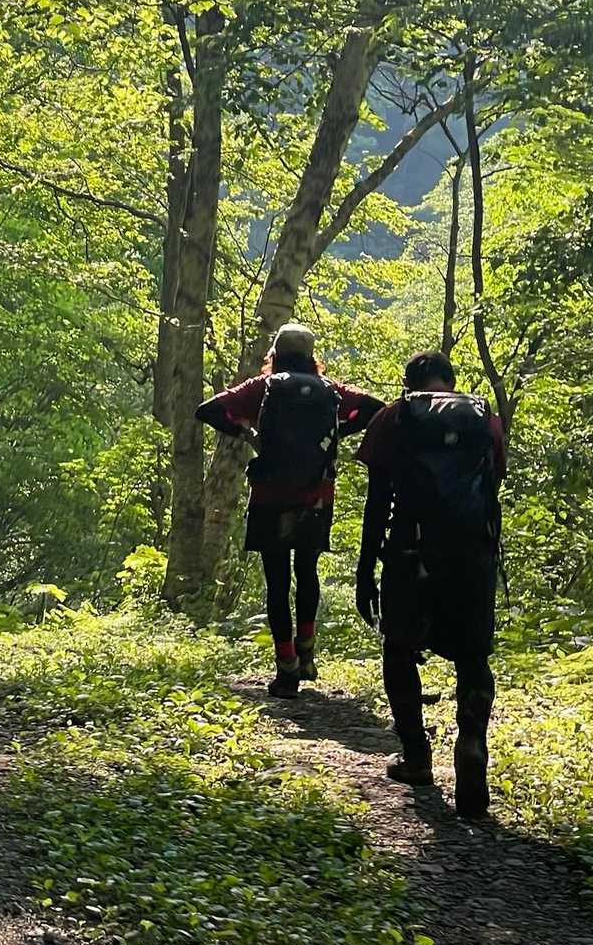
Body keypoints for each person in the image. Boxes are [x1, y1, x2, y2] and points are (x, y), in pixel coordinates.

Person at [354, 350, 506, 819]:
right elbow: (492, 488)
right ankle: (472, 743)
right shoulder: (486, 420)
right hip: (472, 555)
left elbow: (378, 500)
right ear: (451, 381)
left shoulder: (393, 418)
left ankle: (417, 756)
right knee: (473, 657)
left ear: (409, 383)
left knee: (399, 648)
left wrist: (366, 568)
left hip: (410, 552)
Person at [196, 323, 383, 699]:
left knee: (277, 581)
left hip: (270, 494)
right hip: (316, 495)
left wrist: (249, 435)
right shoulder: (330, 389)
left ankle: (286, 669)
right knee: (307, 571)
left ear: (275, 354)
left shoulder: (263, 386)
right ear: (312, 358)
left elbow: (208, 410)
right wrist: (335, 434)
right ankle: (307, 653)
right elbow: (375, 409)